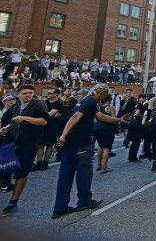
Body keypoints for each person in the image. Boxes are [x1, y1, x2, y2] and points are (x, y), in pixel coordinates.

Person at [51, 83, 128, 219]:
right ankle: (84, 201)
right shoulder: (91, 102)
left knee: (65, 175)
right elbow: (75, 117)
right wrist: (63, 134)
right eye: (105, 94)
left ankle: (60, 207)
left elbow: (101, 117)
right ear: (101, 92)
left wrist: (118, 119)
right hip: (79, 143)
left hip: (69, 143)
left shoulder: (85, 102)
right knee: (84, 172)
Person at [0, 84, 49, 217]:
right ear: (18, 94)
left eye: (30, 92)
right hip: (11, 143)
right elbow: (14, 120)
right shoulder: (16, 106)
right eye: (25, 93)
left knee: (21, 173)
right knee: (3, 169)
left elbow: (44, 121)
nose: (28, 95)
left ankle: (13, 203)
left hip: (28, 144)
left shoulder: (38, 105)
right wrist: (7, 127)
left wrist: (25, 118)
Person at [34, 88, 63, 171]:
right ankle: (39, 163)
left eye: (50, 93)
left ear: (55, 94)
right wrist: (51, 114)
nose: (48, 94)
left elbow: (48, 114)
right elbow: (40, 113)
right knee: (40, 144)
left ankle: (45, 162)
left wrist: (49, 114)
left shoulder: (59, 103)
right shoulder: (45, 102)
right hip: (43, 126)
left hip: (53, 127)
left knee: (50, 145)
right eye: (48, 93)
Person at [93, 93, 117, 173]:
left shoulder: (98, 107)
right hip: (107, 128)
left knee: (100, 146)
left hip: (98, 127)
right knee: (107, 148)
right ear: (109, 100)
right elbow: (114, 119)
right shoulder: (111, 108)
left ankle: (99, 165)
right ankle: (104, 167)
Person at [141, 97, 156, 171]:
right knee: (155, 148)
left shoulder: (148, 111)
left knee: (147, 148)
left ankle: (151, 160)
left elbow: (143, 123)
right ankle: (155, 162)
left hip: (148, 131)